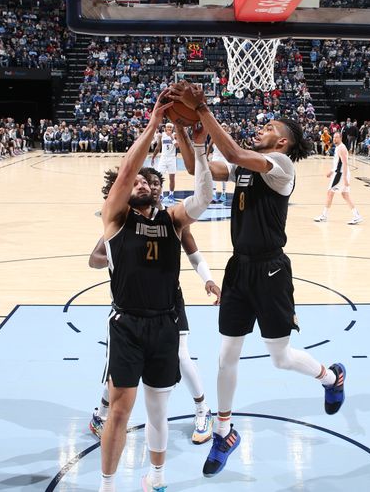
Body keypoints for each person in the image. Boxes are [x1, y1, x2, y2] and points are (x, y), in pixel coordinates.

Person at [170, 82, 346, 478]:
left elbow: (231, 152)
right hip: (239, 268)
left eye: (267, 127)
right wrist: (184, 132)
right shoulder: (244, 167)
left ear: (281, 141)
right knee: (225, 355)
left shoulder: (282, 167)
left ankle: (331, 377)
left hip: (270, 270)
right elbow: (199, 169)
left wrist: (201, 110)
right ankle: (224, 431)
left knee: (281, 358)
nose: (261, 129)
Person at [96, 90, 213, 492]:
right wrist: (153, 126)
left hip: (165, 322)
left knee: (159, 408)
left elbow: (204, 197)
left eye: (150, 180)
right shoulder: (115, 218)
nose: (142, 182)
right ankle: (107, 486)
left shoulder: (173, 219)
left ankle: (157, 478)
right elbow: (128, 169)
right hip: (127, 323)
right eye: (138, 180)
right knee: (119, 410)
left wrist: (193, 141)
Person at [88, 162, 220, 446]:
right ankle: (101, 414)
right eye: (146, 182)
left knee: (182, 358)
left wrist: (207, 279)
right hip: (129, 309)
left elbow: (193, 252)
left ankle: (203, 409)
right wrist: (119, 260)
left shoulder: (172, 218)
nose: (152, 187)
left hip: (169, 305)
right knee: (117, 368)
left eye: (155, 183)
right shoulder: (124, 220)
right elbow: (94, 258)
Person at [314, 132, 363, 224]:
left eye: (336, 137)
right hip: (338, 173)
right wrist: (331, 171)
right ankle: (357, 216)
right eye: (334, 137)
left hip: (340, 174)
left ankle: (324, 216)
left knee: (330, 193)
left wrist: (344, 178)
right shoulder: (338, 147)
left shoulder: (341, 148)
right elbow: (338, 163)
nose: (334, 139)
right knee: (345, 195)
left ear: (340, 138)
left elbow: (345, 163)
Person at [150, 122, 178, 205]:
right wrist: (153, 156)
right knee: (159, 177)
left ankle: (171, 195)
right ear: (165, 128)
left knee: (172, 177)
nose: (169, 128)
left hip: (172, 158)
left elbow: (177, 146)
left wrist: (171, 137)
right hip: (163, 158)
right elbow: (158, 147)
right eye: (167, 127)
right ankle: (161, 195)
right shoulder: (162, 135)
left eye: (170, 127)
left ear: (172, 129)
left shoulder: (175, 135)